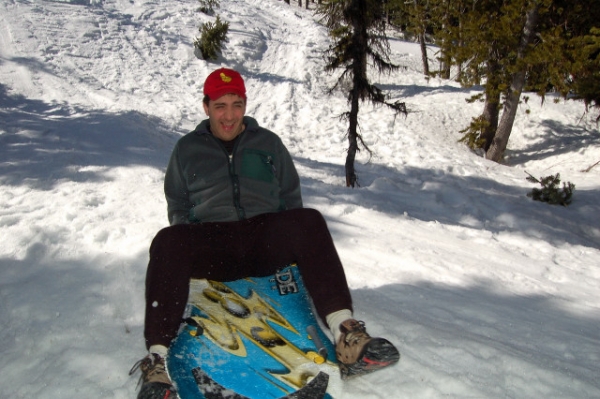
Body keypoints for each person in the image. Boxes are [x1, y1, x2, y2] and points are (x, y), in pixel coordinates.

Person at [130, 68, 399, 398]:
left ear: (245, 104)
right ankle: (157, 361)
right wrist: (195, 240)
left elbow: (290, 196)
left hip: (263, 240)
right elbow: (178, 205)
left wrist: (291, 244)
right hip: (215, 243)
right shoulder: (187, 150)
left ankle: (345, 332)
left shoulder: (268, 143)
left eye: (236, 104)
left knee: (309, 220)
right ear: (206, 107)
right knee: (168, 240)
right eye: (220, 106)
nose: (229, 116)